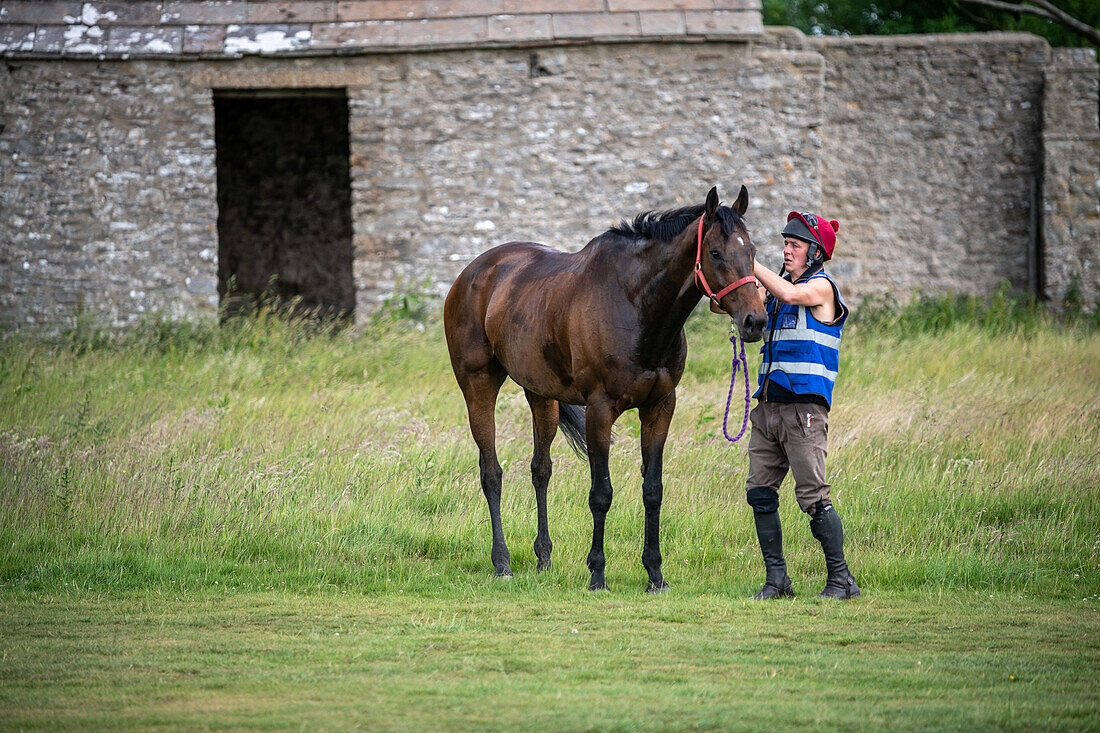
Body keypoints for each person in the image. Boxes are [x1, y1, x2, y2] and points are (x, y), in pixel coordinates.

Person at [745, 211, 860, 600]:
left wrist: (750, 262)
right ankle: (777, 581)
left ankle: (841, 580)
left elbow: (791, 294)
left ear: (814, 253)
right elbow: (738, 306)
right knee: (760, 493)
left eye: (795, 245)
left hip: (804, 413)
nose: (787, 250)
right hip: (768, 409)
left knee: (813, 497)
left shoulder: (821, 288)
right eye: (786, 244)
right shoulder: (775, 294)